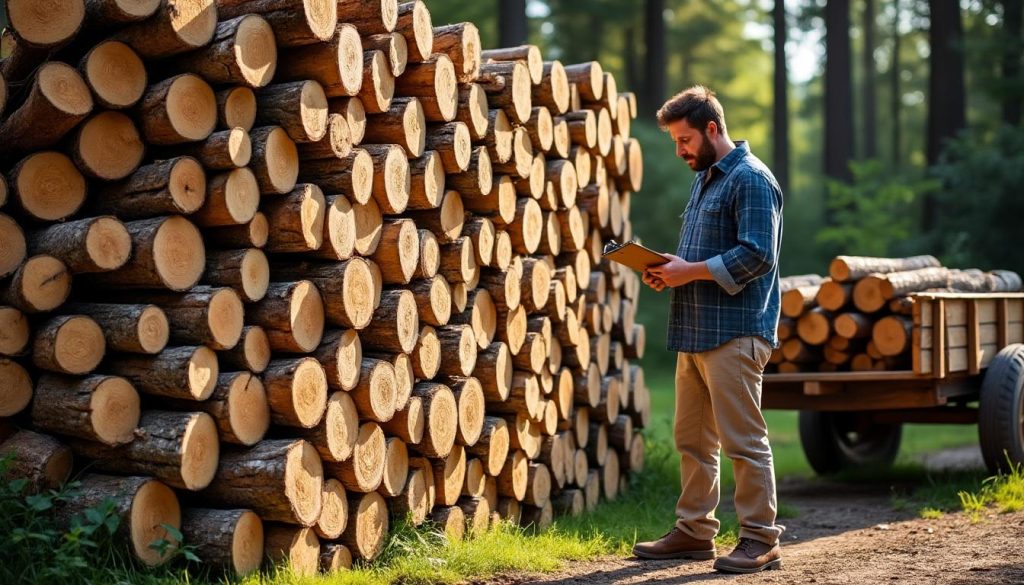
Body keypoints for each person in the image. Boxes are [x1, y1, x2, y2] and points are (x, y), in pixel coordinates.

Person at [631, 85, 785, 574]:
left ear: (712, 129)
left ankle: (761, 538)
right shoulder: (706, 178)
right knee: (693, 441)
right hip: (695, 330)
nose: (679, 151)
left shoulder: (752, 179)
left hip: (737, 333)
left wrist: (689, 271)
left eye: (684, 140)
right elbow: (702, 258)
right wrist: (668, 270)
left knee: (743, 440)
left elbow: (759, 254)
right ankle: (695, 533)